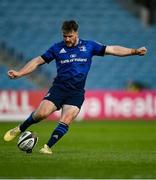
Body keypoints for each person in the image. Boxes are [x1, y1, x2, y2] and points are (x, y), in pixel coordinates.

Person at [3, 20, 147, 154]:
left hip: (76, 92)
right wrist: (20, 72)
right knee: (41, 114)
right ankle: (20, 128)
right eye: (64, 36)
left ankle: (47, 147)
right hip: (59, 88)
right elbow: (37, 61)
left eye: (70, 36)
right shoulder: (57, 48)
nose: (67, 39)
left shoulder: (89, 46)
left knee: (67, 118)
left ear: (76, 33)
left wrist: (134, 51)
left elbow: (113, 49)